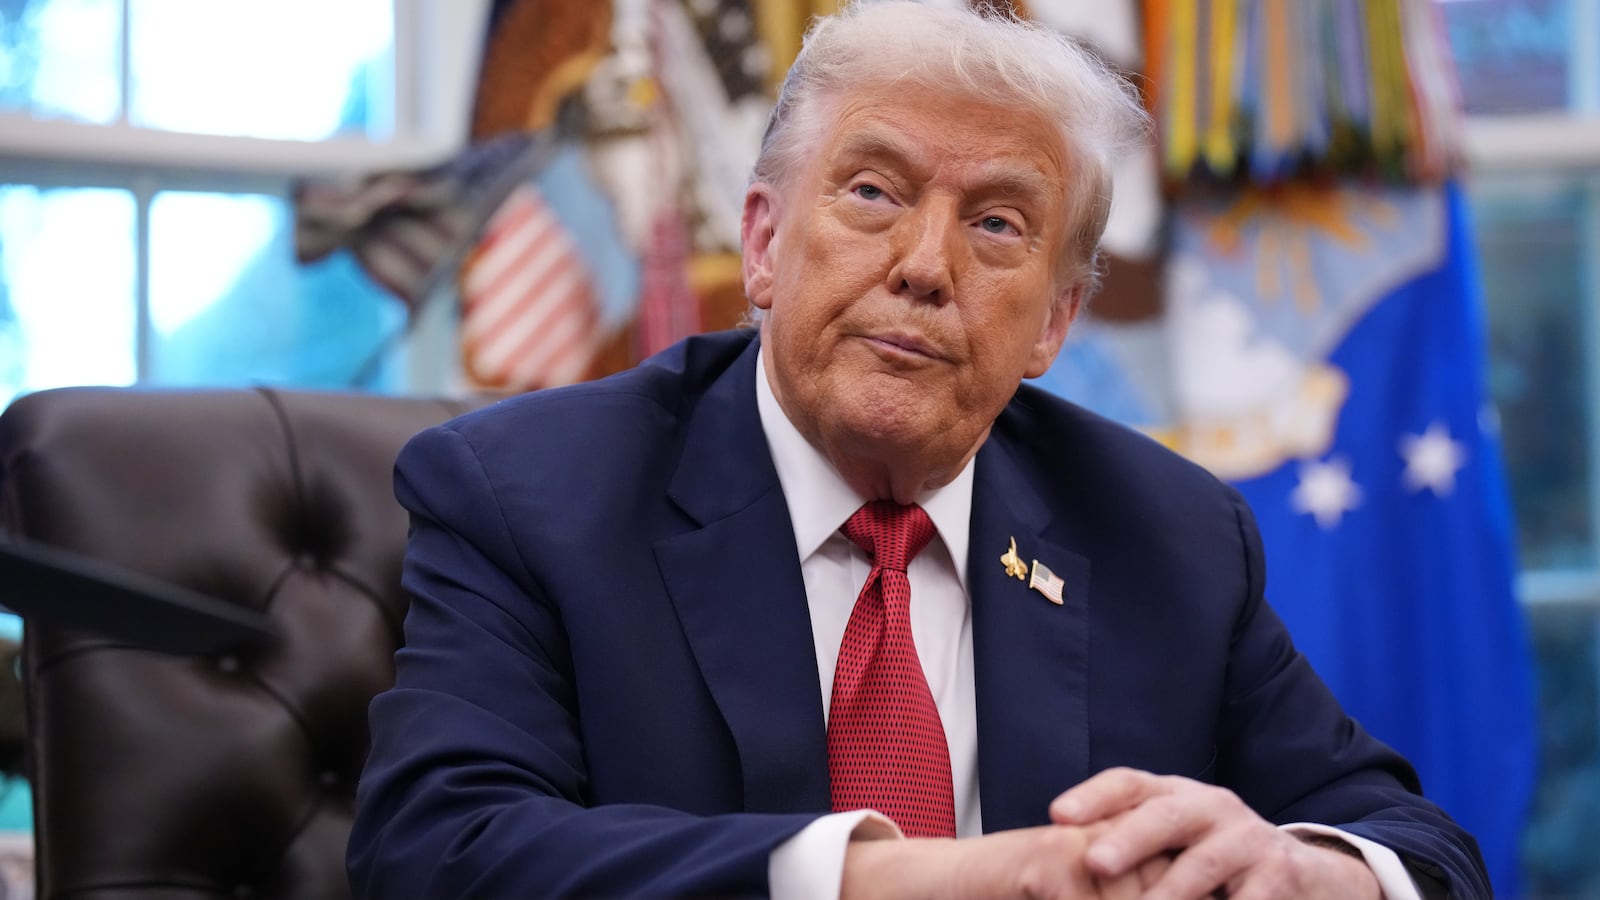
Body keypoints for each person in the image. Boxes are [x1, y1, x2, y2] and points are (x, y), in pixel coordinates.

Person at [347, 2, 1489, 897]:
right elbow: (439, 851)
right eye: (872, 191)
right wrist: (897, 881)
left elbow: (1416, 842)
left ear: (1052, 322)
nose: (925, 265)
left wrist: (1311, 872)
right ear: (762, 244)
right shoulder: (529, 497)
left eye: (997, 223)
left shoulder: (1169, 535)